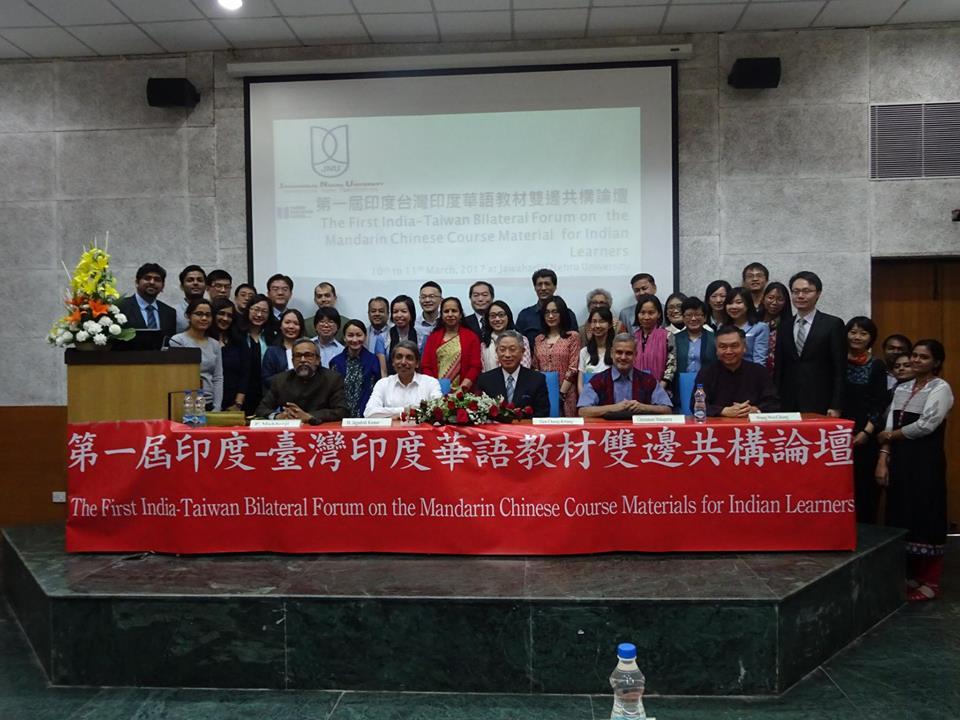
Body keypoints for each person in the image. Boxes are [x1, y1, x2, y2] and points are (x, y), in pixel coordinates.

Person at [876, 339, 954, 602]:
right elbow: (889, 422)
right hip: (901, 460)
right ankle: (910, 574)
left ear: (936, 362)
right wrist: (884, 456)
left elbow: (927, 425)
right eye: (915, 356)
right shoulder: (903, 387)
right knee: (902, 512)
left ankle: (930, 581)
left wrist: (892, 435)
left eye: (923, 357)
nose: (917, 361)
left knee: (927, 512)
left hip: (925, 461)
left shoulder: (940, 388)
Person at [776, 271, 845, 416]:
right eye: (796, 291)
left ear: (818, 293)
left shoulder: (832, 324)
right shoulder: (784, 326)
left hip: (821, 401)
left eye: (806, 291)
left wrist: (836, 405)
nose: (800, 296)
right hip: (788, 402)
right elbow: (779, 368)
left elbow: (839, 369)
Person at [841, 317, 889, 524]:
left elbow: (879, 404)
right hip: (838, 432)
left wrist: (866, 432)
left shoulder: (877, 365)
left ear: (871, 338)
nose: (857, 337)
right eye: (853, 332)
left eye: (863, 333)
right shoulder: (837, 361)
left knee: (864, 487)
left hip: (865, 434)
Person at [256, 338, 348, 424]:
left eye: (308, 355)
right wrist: (278, 416)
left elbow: (342, 411)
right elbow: (261, 409)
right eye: (298, 356)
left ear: (317, 360)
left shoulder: (332, 379)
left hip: (319, 433)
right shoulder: (280, 380)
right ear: (292, 360)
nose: (303, 360)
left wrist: (309, 416)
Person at [692, 325, 779, 417]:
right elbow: (695, 405)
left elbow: (773, 402)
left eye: (734, 346)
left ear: (744, 347)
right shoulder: (706, 372)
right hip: (718, 426)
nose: (729, 351)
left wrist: (755, 410)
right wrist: (723, 411)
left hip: (751, 425)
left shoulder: (759, 371)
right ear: (716, 350)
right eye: (723, 347)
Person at [578, 334, 672, 417]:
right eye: (619, 352)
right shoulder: (598, 380)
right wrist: (614, 408)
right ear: (611, 353)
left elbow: (667, 410)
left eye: (629, 353)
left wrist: (644, 407)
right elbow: (583, 411)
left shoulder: (648, 380)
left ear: (636, 355)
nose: (623, 357)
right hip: (608, 434)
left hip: (640, 433)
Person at [477, 330, 550, 417]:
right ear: (497, 352)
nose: (507, 355)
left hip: (526, 429)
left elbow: (542, 413)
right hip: (496, 429)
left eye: (512, 349)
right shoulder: (485, 380)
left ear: (522, 352)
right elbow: (481, 414)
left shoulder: (537, 379)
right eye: (502, 350)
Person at [169, 298, 223, 412]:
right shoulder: (178, 341)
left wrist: (217, 407)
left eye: (208, 315)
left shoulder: (214, 344)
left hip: (209, 403)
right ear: (188, 316)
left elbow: (218, 377)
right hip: (186, 403)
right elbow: (177, 376)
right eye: (199, 314)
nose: (204, 318)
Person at [363, 340, 443, 418]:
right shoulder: (383, 384)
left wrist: (391, 413)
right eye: (399, 357)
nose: (403, 362)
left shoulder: (430, 383)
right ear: (393, 362)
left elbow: (438, 410)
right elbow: (369, 413)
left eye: (409, 358)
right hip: (391, 431)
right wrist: (405, 410)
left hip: (421, 431)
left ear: (417, 363)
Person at [532, 295, 581, 416]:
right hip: (543, 393)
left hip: (567, 393)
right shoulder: (539, 339)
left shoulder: (572, 337)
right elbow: (534, 367)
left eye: (555, 312)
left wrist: (561, 393)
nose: (550, 316)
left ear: (562, 314)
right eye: (547, 312)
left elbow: (573, 368)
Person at [421, 297, 482, 390]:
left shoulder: (471, 337)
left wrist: (462, 390)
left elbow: (475, 366)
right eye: (446, 311)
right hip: (436, 392)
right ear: (441, 315)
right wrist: (435, 388)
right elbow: (426, 366)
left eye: (454, 311)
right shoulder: (433, 337)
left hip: (465, 394)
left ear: (460, 314)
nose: (450, 314)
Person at [330, 320, 383, 418]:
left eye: (359, 335)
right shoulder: (335, 362)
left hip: (367, 414)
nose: (355, 340)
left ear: (365, 337)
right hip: (340, 415)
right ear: (344, 338)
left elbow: (377, 390)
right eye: (350, 335)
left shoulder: (373, 361)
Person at [234, 293, 276, 415]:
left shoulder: (272, 337)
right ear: (248, 310)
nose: (259, 315)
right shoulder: (237, 334)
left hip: (265, 392)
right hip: (240, 392)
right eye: (256, 310)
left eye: (264, 311)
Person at [516, 269, 578, 346]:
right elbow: (518, 345)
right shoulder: (525, 315)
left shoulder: (568, 314)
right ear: (535, 288)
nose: (543, 288)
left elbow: (574, 343)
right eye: (539, 284)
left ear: (555, 287)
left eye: (547, 284)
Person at [117, 263, 176, 340]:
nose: (152, 282)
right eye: (147, 278)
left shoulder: (169, 312)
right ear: (137, 282)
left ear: (163, 286)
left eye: (157, 279)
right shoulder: (120, 307)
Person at [632, 294, 676, 394]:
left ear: (659, 314)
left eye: (651, 313)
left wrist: (662, 385)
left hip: (661, 390)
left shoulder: (668, 336)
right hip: (635, 389)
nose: (646, 317)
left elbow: (672, 364)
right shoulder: (632, 338)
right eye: (642, 313)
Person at [209, 298, 247, 411]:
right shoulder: (205, 341)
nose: (225, 318)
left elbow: (245, 374)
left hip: (233, 403)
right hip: (207, 401)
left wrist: (238, 404)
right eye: (221, 314)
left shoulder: (239, 342)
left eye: (229, 315)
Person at [261, 308, 307, 391]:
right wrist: (289, 376)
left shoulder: (309, 349)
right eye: (287, 322)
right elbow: (266, 379)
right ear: (280, 326)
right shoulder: (272, 351)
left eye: (296, 323)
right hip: (279, 397)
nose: (291, 326)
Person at [480, 300, 531, 372]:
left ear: (508, 316)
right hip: (490, 382)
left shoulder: (521, 339)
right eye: (492, 316)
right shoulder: (485, 343)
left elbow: (525, 367)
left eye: (501, 315)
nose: (497, 319)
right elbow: (483, 371)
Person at [724, 286, 770, 365]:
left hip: (749, 373)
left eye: (738, 302)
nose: (733, 307)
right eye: (730, 303)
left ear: (748, 304)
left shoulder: (760, 327)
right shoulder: (722, 327)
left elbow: (759, 359)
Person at [674, 297, 716, 376]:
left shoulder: (714, 338)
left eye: (697, 314)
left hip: (707, 384)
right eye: (688, 315)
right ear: (683, 317)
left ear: (705, 317)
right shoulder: (675, 339)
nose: (693, 318)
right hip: (681, 384)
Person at [578, 307, 615, 394]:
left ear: (610, 325)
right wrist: (584, 400)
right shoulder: (584, 351)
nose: (597, 325)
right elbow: (580, 382)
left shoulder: (616, 351)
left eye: (602, 321)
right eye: (594, 321)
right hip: (589, 400)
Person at [761, 281, 789, 376]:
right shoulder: (753, 322)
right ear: (763, 299)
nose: (774, 302)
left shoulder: (788, 326)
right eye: (770, 298)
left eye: (780, 299)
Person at [386, 295, 419, 374]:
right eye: (395, 312)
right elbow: (383, 369)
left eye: (404, 311)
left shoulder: (420, 336)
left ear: (411, 314)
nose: (399, 315)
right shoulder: (384, 337)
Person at [174, 265, 207, 332]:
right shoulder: (173, 312)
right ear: (182, 286)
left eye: (200, 280)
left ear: (206, 285)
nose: (195, 283)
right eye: (190, 280)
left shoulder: (212, 309)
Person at [365, 296, 390, 373]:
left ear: (388, 314)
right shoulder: (362, 335)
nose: (377, 314)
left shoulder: (394, 334)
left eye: (381, 311)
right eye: (373, 311)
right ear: (369, 314)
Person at [415, 281, 443, 348]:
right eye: (423, 297)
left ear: (441, 300)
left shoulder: (447, 323)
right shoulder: (414, 325)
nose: (427, 300)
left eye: (431, 296)